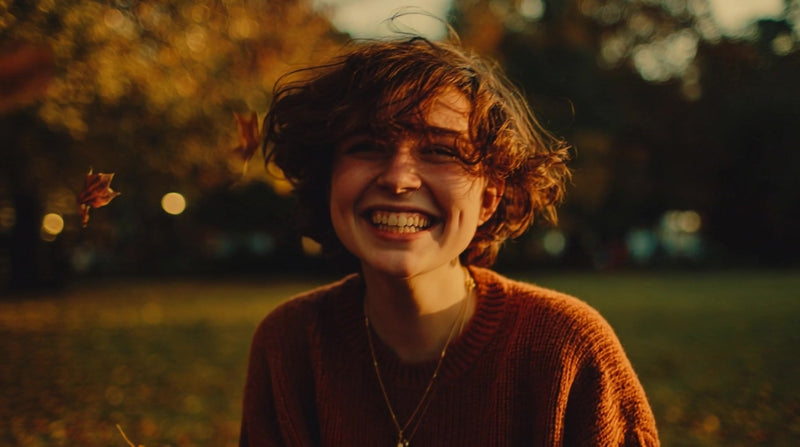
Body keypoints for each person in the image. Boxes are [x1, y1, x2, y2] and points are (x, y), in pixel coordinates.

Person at [240, 34, 659, 446]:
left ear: (489, 198)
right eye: (367, 146)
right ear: (327, 179)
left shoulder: (566, 347)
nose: (398, 178)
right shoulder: (288, 344)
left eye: (441, 151)